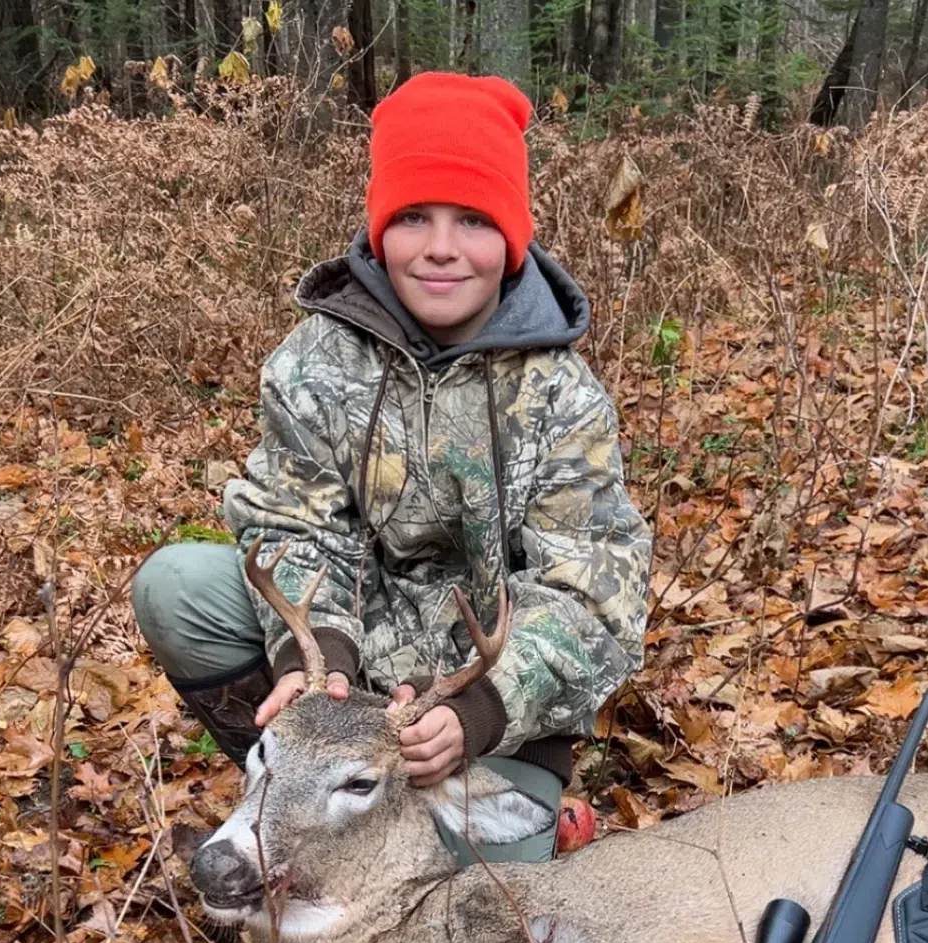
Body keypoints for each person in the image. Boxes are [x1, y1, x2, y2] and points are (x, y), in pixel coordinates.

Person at [132, 70, 652, 863]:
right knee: (178, 588)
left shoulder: (562, 396)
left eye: (473, 220)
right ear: (380, 231)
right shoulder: (315, 361)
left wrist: (481, 710)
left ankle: (505, 809)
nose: (441, 247)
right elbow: (295, 523)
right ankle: (301, 782)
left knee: (469, 914)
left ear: (511, 239)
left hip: (481, 720)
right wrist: (314, 662)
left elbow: (593, 593)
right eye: (413, 217)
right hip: (346, 676)